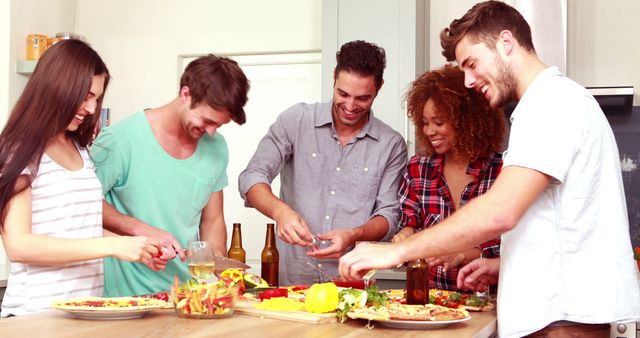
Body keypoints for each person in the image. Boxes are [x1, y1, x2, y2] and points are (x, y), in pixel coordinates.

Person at [339, 1, 640, 337]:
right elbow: (557, 226)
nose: (467, 81)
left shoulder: (552, 104)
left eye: (471, 64)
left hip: (561, 321)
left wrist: (397, 250)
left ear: (506, 43)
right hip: (556, 314)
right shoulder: (547, 104)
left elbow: (500, 212)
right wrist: (502, 266)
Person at [0, 40, 159, 317]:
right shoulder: (18, 149)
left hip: (83, 310)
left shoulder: (79, 148)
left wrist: (139, 248)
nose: (90, 107)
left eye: (96, 98)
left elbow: (75, 229)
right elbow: (18, 245)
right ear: (57, 86)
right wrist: (113, 245)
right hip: (35, 314)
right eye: (85, 95)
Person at [238, 40, 407, 285]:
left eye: (362, 98)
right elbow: (252, 176)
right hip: (290, 283)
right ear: (334, 77)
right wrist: (280, 212)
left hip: (351, 285)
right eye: (343, 93)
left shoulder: (391, 144)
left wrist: (354, 235)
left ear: (379, 87)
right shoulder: (296, 121)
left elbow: (389, 214)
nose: (350, 106)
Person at [91, 54, 250, 296]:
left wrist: (216, 265)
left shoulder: (217, 148)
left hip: (188, 298)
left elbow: (212, 219)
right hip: (128, 301)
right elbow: (84, 203)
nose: (211, 132)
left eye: (219, 125)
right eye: (206, 120)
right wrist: (140, 229)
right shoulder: (120, 140)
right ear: (186, 94)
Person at [392, 64, 504, 291]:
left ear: (467, 121)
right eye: (424, 123)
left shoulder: (502, 170)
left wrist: (462, 254)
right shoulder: (418, 170)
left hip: (487, 302)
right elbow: (409, 223)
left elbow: (508, 245)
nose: (429, 131)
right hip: (432, 303)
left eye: (439, 122)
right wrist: (405, 234)